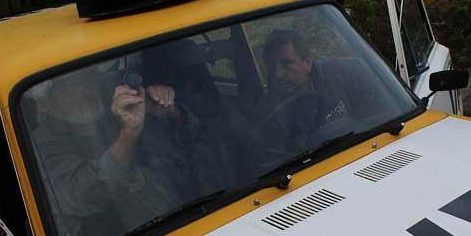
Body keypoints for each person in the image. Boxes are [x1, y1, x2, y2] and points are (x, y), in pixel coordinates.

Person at [30, 66, 180, 236]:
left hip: (175, 228)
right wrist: (129, 134)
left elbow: (187, 153)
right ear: (44, 102)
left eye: (89, 76)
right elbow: (93, 192)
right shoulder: (40, 145)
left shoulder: (115, 114)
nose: (87, 86)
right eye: (72, 82)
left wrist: (168, 111)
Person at [137, 40, 262, 200]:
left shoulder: (226, 115)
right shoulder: (149, 127)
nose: (194, 76)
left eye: (196, 67)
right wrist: (170, 111)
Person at [252, 29, 386, 153]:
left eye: (286, 64)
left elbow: (385, 116)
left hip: (367, 148)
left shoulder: (346, 72)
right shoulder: (268, 114)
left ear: (308, 63)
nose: (278, 75)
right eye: (271, 67)